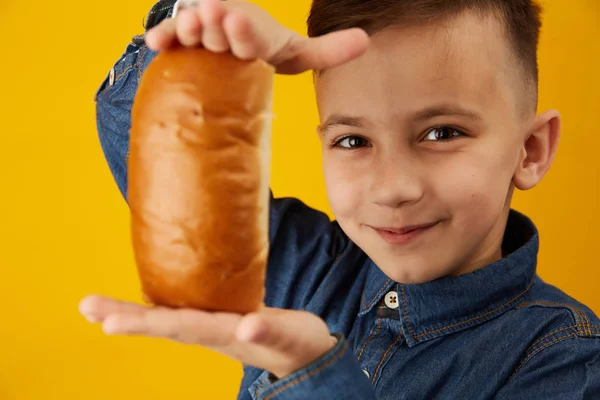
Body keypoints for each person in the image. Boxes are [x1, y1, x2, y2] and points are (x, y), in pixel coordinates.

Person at [79, 0, 600, 398]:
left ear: (528, 151)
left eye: (442, 133)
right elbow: (153, 149)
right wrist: (200, 37)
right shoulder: (305, 270)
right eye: (354, 141)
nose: (393, 188)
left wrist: (317, 380)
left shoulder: (565, 362)